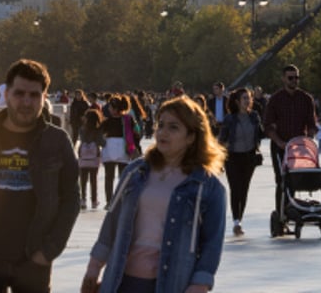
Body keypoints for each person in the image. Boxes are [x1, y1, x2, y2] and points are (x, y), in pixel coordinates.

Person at [0, 58, 80, 293]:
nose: (26, 102)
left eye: (34, 95)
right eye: (19, 94)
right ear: (7, 94)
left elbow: (71, 199)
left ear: (44, 97)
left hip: (34, 258)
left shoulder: (57, 141)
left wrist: (50, 249)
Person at [81, 96, 226, 293]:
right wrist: (93, 268)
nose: (163, 133)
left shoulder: (207, 187)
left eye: (173, 127)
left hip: (172, 283)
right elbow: (111, 222)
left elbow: (212, 244)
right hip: (121, 281)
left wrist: (199, 284)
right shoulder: (134, 172)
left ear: (191, 137)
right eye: (161, 125)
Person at [262, 65, 317, 210]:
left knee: (295, 179)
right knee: (281, 180)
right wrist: (279, 142)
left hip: (298, 148)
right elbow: (268, 125)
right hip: (280, 146)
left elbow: (311, 124)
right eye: (290, 78)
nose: (294, 80)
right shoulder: (275, 99)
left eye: (296, 77)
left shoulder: (306, 99)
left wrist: (309, 139)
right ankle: (281, 213)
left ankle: (291, 208)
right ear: (283, 79)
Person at [218, 86, 263, 236]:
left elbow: (260, 133)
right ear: (237, 102)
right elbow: (222, 139)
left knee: (244, 189)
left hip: (249, 157)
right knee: (235, 188)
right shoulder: (230, 118)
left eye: (249, 98)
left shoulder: (254, 116)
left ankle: (240, 219)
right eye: (244, 98)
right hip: (232, 157)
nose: (248, 101)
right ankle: (236, 221)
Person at [78, 109, 106, 210]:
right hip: (94, 158)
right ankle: (94, 201)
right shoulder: (98, 130)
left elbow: (81, 139)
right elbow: (102, 143)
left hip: (83, 157)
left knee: (83, 180)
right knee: (93, 180)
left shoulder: (82, 129)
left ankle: (83, 199)